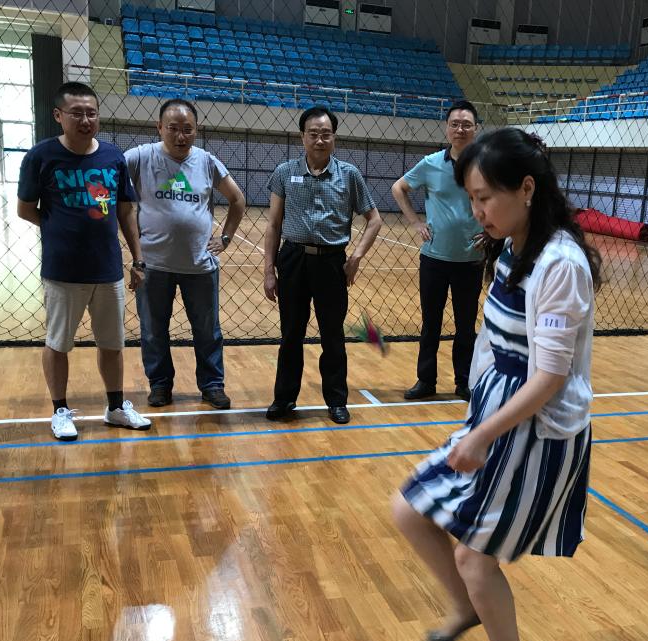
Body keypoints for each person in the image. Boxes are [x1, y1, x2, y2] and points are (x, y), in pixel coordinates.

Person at [390, 128, 600, 641]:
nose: (476, 210)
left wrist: (482, 434)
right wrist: (477, 412)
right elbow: (497, 340)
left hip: (536, 427)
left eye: (484, 197)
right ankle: (468, 608)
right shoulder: (512, 244)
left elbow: (549, 378)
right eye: (471, 198)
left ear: (526, 188)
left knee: (474, 557)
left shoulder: (559, 263)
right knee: (410, 510)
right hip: (497, 412)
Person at [17, 82, 151, 441]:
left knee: (113, 343)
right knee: (58, 342)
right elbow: (25, 209)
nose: (85, 120)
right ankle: (60, 410)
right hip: (63, 270)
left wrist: (138, 259)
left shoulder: (113, 156)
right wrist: (59, 226)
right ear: (58, 115)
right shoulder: (41, 156)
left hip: (107, 269)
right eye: (76, 113)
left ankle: (116, 407)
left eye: (91, 113)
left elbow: (125, 211)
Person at [262, 106, 382, 424]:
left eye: (325, 134)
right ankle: (284, 399)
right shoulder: (285, 172)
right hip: (293, 260)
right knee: (291, 334)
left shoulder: (349, 175)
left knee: (333, 335)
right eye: (313, 134)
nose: (319, 140)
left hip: (331, 263)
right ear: (302, 137)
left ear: (334, 138)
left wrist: (355, 258)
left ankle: (337, 401)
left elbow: (374, 220)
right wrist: (269, 270)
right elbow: (273, 224)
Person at [125, 98, 246, 410]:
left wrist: (225, 238)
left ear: (197, 130)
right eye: (173, 129)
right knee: (153, 331)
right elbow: (110, 187)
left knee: (207, 331)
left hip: (200, 266)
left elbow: (237, 199)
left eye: (187, 130)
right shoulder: (140, 157)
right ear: (159, 128)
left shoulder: (206, 161)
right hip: (152, 265)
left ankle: (212, 385)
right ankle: (160, 385)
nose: (180, 136)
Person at [392, 101, 484, 402]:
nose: (460, 129)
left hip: (471, 260)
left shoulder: (487, 165)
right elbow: (398, 188)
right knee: (430, 323)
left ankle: (464, 381)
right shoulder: (430, 163)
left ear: (476, 129)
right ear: (447, 128)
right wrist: (416, 222)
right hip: (434, 258)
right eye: (455, 124)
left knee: (466, 326)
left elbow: (500, 199)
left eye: (466, 124)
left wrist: (492, 232)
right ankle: (426, 381)